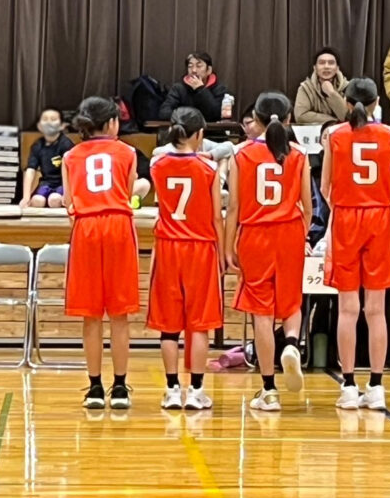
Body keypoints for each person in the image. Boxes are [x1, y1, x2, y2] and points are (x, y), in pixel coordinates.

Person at [225, 92, 312, 411]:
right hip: (289, 233)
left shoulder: (240, 154)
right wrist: (301, 235)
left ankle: (269, 389)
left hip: (255, 235)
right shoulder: (299, 154)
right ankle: (291, 343)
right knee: (291, 301)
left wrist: (228, 246)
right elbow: (307, 206)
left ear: (256, 121)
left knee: (261, 311)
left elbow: (234, 206)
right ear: (289, 119)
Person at [322, 78, 390, 410]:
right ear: (376, 102)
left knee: (347, 308)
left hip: (346, 217)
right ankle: (377, 385)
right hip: (378, 218)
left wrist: (345, 206)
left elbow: (325, 187)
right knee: (376, 309)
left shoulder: (335, 135)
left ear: (346, 101)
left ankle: (348, 386)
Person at [62, 97, 141, 409]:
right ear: (110, 123)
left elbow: (69, 203)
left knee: (91, 315)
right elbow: (129, 191)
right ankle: (119, 388)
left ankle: (95, 387)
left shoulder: (70, 156)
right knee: (119, 315)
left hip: (86, 227)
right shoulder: (128, 152)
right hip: (118, 226)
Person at [148, 108, 224, 411]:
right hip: (200, 247)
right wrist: (223, 252)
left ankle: (171, 390)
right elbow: (217, 217)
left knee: (169, 326)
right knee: (199, 324)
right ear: (199, 134)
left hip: (168, 247)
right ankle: (196, 391)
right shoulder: (209, 168)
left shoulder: (157, 165)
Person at [20, 107, 75, 208]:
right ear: (39, 126)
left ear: (62, 125)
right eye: (45, 119)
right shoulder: (37, 145)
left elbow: (72, 171)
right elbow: (30, 170)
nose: (49, 122)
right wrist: (26, 197)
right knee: (37, 201)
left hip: (62, 185)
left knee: (54, 199)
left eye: (53, 119)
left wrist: (68, 195)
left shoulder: (66, 144)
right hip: (45, 184)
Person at [159, 52, 229, 122]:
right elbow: (164, 113)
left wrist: (200, 89)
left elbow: (217, 114)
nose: (194, 70)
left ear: (209, 70)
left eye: (199, 66)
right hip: (184, 127)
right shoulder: (178, 88)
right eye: (190, 66)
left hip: (210, 128)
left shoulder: (219, 89)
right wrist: (187, 118)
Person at [293, 47, 349, 124]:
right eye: (322, 63)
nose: (326, 66)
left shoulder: (348, 87)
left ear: (337, 68)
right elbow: (300, 116)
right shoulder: (306, 88)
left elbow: (348, 116)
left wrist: (331, 93)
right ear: (315, 68)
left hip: (343, 130)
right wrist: (333, 121)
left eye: (331, 63)